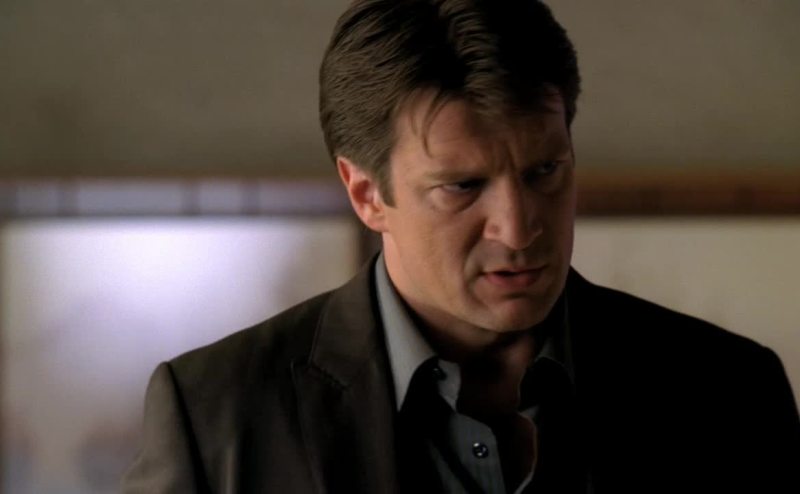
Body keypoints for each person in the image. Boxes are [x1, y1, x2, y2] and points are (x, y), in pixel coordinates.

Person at [122, 1, 800, 492]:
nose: (519, 228)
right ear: (366, 193)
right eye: (463, 186)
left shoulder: (730, 394)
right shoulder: (216, 413)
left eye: (545, 171)